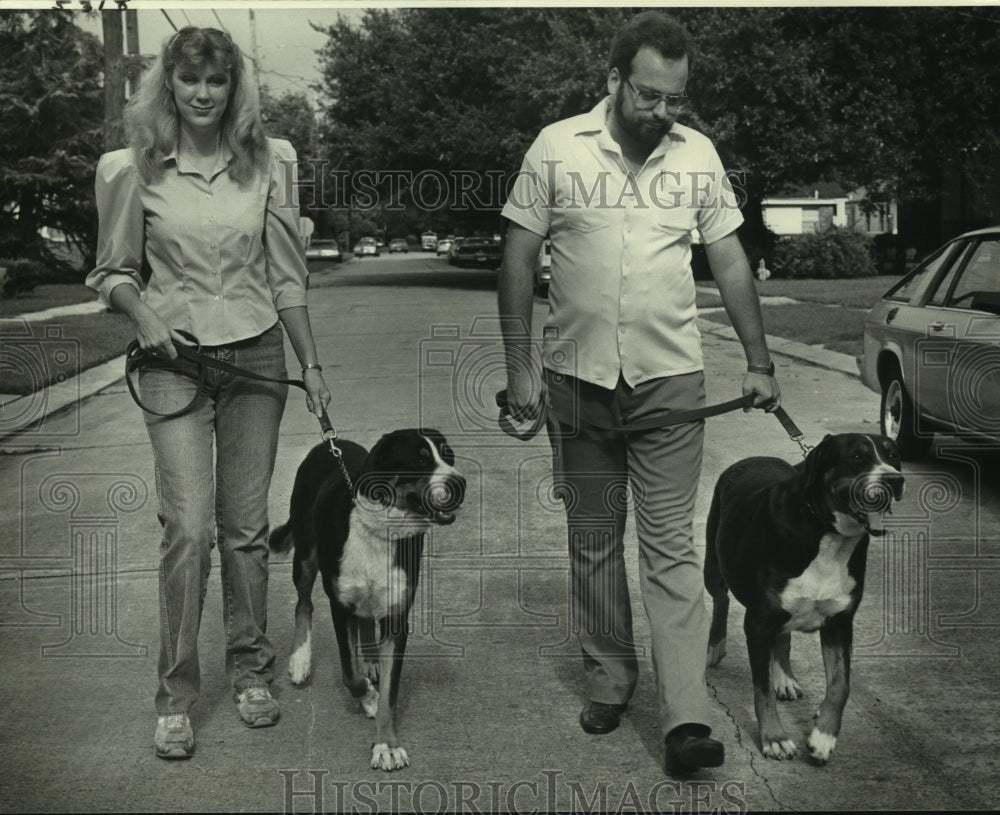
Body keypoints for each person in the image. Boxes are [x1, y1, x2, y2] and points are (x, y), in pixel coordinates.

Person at [497, 11, 780, 776]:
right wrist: (520, 370)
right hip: (577, 383)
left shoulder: (698, 157)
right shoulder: (557, 147)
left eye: (677, 99)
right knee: (594, 541)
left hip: (669, 387)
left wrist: (759, 360)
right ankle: (611, 677)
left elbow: (729, 260)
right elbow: (518, 260)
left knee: (668, 549)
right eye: (650, 96)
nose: (665, 113)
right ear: (614, 80)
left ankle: (685, 716)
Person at [86, 26, 331, 760]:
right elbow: (112, 270)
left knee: (245, 526)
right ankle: (176, 694)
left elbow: (286, 277)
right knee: (188, 526)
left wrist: (311, 363)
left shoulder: (268, 164)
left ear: (234, 88)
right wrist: (146, 314)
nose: (202, 94)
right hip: (173, 359)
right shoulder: (133, 168)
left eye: (216, 82)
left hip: (254, 353)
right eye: (189, 81)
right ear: (169, 85)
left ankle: (253, 669)